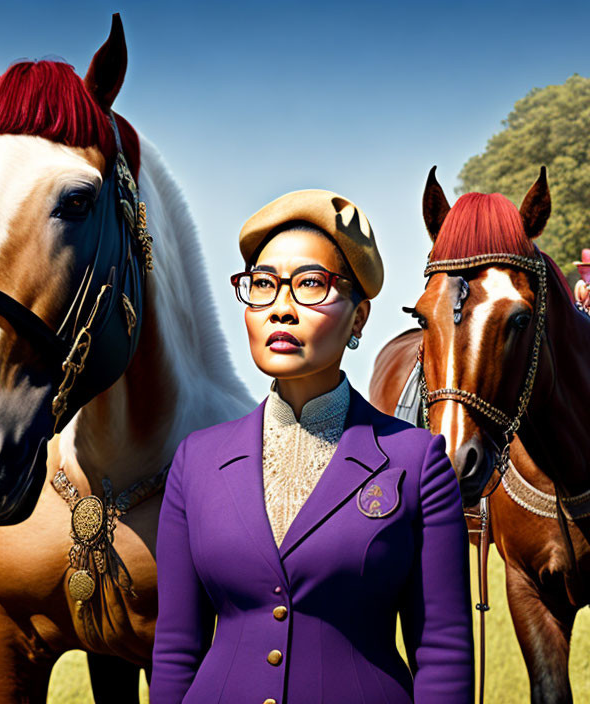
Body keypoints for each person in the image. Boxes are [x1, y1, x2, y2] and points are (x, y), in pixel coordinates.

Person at [150, 190, 474, 703]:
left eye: (310, 285)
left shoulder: (416, 462)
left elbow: (442, 649)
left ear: (360, 317)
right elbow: (175, 650)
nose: (281, 308)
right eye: (262, 285)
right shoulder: (196, 462)